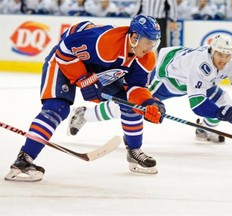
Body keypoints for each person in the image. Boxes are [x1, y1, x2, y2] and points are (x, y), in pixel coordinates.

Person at [5, 14, 166, 182]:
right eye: (148, 42)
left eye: (154, 43)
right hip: (64, 62)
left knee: (131, 104)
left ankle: (134, 151)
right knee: (56, 108)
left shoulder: (146, 58)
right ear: (134, 37)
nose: (151, 47)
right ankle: (24, 159)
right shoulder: (104, 43)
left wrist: (149, 103)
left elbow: (137, 88)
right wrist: (81, 78)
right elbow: (65, 49)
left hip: (96, 72)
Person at [68, 34, 232, 144]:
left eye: (226, 56)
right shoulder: (200, 64)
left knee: (225, 100)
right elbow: (197, 103)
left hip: (195, 82)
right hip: (167, 77)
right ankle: (85, 114)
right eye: (219, 55)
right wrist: (225, 114)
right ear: (212, 51)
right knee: (133, 107)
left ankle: (203, 129)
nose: (223, 60)